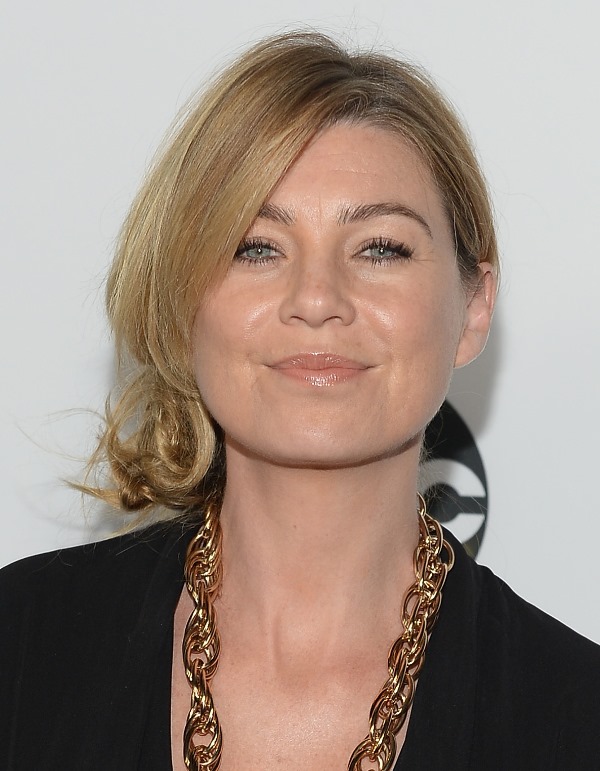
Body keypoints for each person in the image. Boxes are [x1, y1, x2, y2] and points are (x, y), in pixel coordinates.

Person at [1, 30, 599, 771]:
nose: (317, 300)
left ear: (473, 306)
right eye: (257, 247)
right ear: (180, 303)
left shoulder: (576, 715)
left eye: (380, 248)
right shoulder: (20, 649)